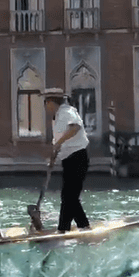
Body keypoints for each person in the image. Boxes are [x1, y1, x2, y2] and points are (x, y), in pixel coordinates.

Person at [43, 87, 90, 232]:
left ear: (50, 102)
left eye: (45, 103)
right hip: (69, 159)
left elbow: (75, 128)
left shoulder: (67, 111)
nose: (45, 107)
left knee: (69, 195)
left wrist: (58, 143)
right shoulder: (58, 117)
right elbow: (57, 141)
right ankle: (78, 226)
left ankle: (65, 228)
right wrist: (52, 158)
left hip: (77, 157)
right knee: (69, 196)